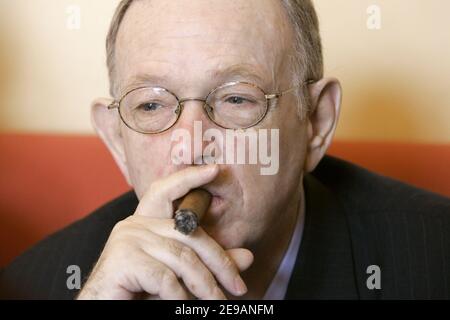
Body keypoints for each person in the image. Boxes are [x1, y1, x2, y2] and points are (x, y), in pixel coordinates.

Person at [1, 0, 449, 300]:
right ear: (117, 140)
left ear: (316, 122)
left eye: (237, 99)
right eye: (152, 105)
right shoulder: (35, 284)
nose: (192, 147)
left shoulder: (435, 260)